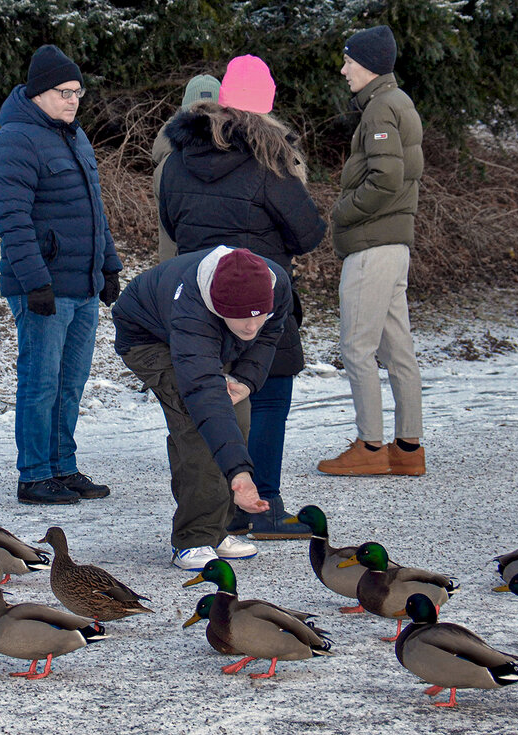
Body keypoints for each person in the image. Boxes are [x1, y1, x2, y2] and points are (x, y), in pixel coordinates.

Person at [158, 55, 326, 539]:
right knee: (270, 394)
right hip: (258, 294)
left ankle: (219, 508)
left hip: (197, 295)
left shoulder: (177, 160)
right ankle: (262, 506)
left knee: (210, 398)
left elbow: (172, 225)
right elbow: (307, 232)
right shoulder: (271, 162)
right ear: (267, 107)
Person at [0, 44, 123, 506]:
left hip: (82, 284)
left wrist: (109, 266)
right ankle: (35, 474)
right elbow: (12, 219)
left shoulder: (74, 136)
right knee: (41, 381)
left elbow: (93, 211)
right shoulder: (15, 140)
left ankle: (63, 465)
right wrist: (34, 281)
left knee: (71, 382)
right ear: (38, 93)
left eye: (78, 92)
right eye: (64, 92)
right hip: (45, 289)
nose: (73, 100)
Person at [113, 245, 293, 571]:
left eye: (258, 317)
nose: (252, 328)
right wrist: (239, 473)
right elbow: (203, 393)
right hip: (148, 336)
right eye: (242, 319)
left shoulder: (275, 283)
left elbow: (269, 336)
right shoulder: (192, 308)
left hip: (206, 336)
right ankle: (193, 537)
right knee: (196, 424)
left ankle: (216, 529)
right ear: (219, 306)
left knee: (237, 414)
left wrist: (246, 379)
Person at [317, 25, 426, 477]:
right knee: (397, 349)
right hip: (392, 244)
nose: (343, 70)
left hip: (373, 244)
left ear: (370, 64)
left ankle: (370, 446)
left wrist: (341, 213)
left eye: (349, 61)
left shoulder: (381, 109)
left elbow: (385, 180)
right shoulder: (398, 103)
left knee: (357, 347)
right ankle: (407, 448)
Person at [151, 73, 220, 261]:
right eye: (199, 112)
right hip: (183, 268)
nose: (205, 121)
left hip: (178, 268)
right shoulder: (169, 166)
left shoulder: (165, 165)